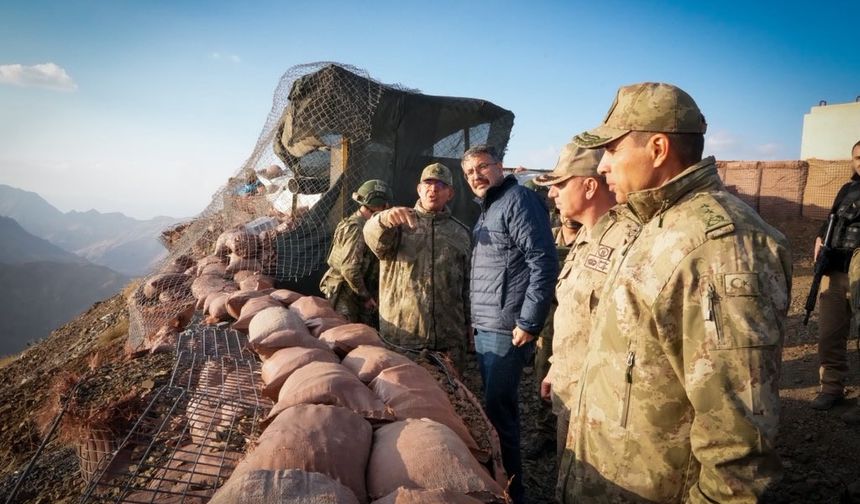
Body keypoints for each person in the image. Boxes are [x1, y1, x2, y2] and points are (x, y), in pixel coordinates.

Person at [563, 82, 791, 502]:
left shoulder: (721, 247)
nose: (603, 166)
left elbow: (738, 442)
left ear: (657, 148)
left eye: (612, 150)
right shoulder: (657, 222)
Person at [532, 144, 638, 474]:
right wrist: (557, 368)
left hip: (603, 406)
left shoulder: (630, 241)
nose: (552, 195)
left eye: (560, 184)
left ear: (589, 186)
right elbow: (578, 316)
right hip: (573, 390)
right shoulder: (586, 238)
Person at [462, 144, 558, 504]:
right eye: (469, 172)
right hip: (489, 325)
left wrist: (529, 322)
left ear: (500, 166)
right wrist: (476, 323)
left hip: (508, 328)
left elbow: (543, 262)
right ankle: (504, 479)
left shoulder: (518, 200)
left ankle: (513, 492)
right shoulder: (489, 208)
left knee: (500, 411)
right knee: (496, 408)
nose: (476, 176)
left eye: (482, 167)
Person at [363, 163, 471, 369]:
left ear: (450, 193)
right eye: (428, 184)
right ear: (419, 189)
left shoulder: (460, 233)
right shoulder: (397, 223)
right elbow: (373, 237)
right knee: (402, 393)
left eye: (441, 185)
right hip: (403, 337)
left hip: (448, 339)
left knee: (450, 395)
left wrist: (469, 324)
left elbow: (466, 284)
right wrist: (382, 219)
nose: (434, 189)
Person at [811, 139, 860, 412]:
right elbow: (831, 219)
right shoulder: (848, 189)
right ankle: (831, 388)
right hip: (836, 270)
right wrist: (820, 238)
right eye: (857, 158)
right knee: (829, 334)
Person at [319, 179, 392, 326]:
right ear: (379, 205)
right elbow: (350, 269)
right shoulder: (358, 229)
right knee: (342, 339)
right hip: (345, 295)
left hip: (349, 292)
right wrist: (365, 297)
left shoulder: (355, 223)